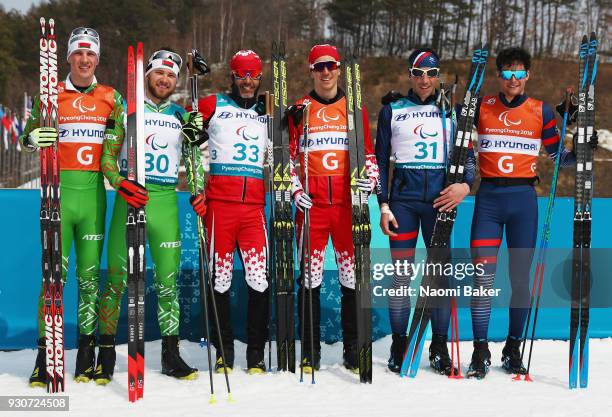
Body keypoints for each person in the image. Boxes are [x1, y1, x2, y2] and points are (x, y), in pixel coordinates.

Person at [466, 47, 596, 379]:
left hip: (524, 200)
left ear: (528, 75)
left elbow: (559, 157)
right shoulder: (481, 107)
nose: (513, 79)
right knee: (483, 278)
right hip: (489, 199)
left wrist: (584, 146)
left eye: (518, 73)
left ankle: (512, 347)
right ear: (499, 76)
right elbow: (458, 136)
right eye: (507, 73)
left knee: (521, 280)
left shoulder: (542, 111)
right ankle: (480, 349)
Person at [21, 27, 125, 386]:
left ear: (97, 58)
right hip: (58, 198)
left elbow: (115, 149)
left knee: (90, 280)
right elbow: (27, 137)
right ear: (67, 57)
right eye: (78, 53)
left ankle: (86, 353)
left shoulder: (113, 97)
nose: (84, 60)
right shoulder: (51, 96)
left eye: (91, 54)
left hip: (93, 197)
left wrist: (124, 181)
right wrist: (32, 139)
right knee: (53, 279)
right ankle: (43, 357)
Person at [97, 49, 204, 383]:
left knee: (167, 283)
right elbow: (107, 157)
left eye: (171, 75)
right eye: (159, 73)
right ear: (148, 76)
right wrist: (119, 183)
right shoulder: (128, 109)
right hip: (132, 198)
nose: (165, 80)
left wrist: (200, 191)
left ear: (176, 81)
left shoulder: (182, 115)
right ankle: (105, 356)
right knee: (116, 279)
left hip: (165, 201)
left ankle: (171, 356)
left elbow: (194, 158)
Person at [375, 48, 474, 375]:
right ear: (410, 74)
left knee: (440, 278)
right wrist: (383, 204)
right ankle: (400, 342)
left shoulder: (452, 111)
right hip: (402, 201)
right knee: (401, 276)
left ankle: (439, 344)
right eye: (418, 73)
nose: (424, 80)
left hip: (440, 201)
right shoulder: (393, 110)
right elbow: (378, 162)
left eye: (431, 73)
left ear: (439, 76)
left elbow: (468, 157)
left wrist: (465, 186)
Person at [287, 44, 380, 373]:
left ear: (339, 69)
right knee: (309, 281)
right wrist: (295, 190)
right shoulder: (299, 109)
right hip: (312, 210)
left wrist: (370, 180)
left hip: (345, 209)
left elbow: (368, 155)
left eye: (331, 66)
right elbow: (287, 158)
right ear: (311, 71)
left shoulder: (355, 109)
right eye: (319, 67)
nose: (325, 72)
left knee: (351, 281)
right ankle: (310, 350)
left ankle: (352, 349)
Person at [192, 49, 270, 375]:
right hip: (220, 207)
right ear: (233, 76)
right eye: (242, 74)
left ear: (259, 77)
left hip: (253, 209)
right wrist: (197, 188)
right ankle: (223, 351)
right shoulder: (213, 104)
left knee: (259, 281)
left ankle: (256, 354)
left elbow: (290, 139)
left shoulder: (269, 108)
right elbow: (187, 139)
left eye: (253, 75)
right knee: (219, 281)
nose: (248, 81)